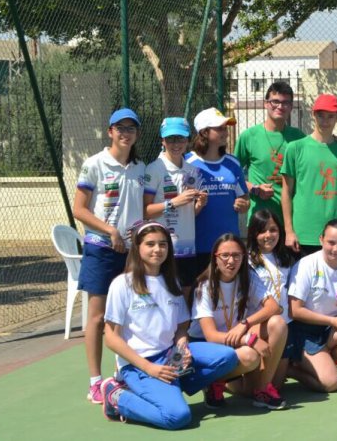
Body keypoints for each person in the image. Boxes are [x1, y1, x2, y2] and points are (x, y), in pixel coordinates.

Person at [99, 222, 238, 428]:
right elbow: (111, 338)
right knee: (177, 417)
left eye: (163, 244)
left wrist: (181, 348)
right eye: (150, 244)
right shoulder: (122, 284)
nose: (157, 249)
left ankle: (172, 386)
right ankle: (116, 397)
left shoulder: (171, 280)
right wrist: (150, 368)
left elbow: (182, 327)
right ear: (137, 248)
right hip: (140, 365)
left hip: (170, 355)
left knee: (227, 357)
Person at [75, 108, 148, 404]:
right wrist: (110, 231)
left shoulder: (141, 167)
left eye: (131, 128)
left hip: (132, 253)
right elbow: (79, 209)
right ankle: (95, 382)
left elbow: (142, 210)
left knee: (126, 317)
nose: (125, 133)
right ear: (110, 131)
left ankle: (123, 375)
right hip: (100, 250)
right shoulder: (94, 164)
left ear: (137, 134)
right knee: (96, 317)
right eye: (120, 128)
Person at [189, 233, 287, 409]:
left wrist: (245, 324)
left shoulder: (248, 276)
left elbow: (274, 307)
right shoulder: (204, 286)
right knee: (251, 356)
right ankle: (214, 381)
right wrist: (249, 339)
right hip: (208, 345)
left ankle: (262, 389)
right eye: (224, 255)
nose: (231, 261)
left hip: (235, 337)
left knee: (277, 323)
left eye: (236, 255)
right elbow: (211, 336)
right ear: (215, 258)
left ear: (243, 257)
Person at [286, 220, 337, 392]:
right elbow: (294, 311)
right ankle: (292, 369)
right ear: (321, 239)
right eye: (331, 242)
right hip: (304, 332)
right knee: (331, 384)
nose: (335, 249)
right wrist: (331, 321)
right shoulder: (305, 265)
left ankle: (324, 361)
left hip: (330, 331)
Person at [281, 94, 337, 258]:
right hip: (304, 235)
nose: (325, 120)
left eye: (330, 116)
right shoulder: (295, 148)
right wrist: (289, 231)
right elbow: (286, 192)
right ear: (313, 114)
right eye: (320, 115)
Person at [143, 117, 207, 297]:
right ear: (163, 141)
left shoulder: (192, 170)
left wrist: (199, 206)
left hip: (187, 247)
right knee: (163, 297)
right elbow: (145, 211)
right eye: (170, 139)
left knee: (186, 297)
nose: (175, 143)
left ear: (188, 140)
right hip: (162, 248)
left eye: (180, 138)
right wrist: (173, 202)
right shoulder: (154, 169)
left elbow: (188, 214)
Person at [187, 108, 249, 272]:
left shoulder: (233, 163)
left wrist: (243, 205)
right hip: (197, 245)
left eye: (225, 128)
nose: (225, 132)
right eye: (220, 128)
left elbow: (245, 199)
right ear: (204, 132)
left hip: (229, 248)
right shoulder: (187, 163)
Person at [235, 81, 305, 223]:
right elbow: (233, 175)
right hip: (260, 217)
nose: (280, 106)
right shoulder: (249, 136)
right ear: (266, 103)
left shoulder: (299, 137)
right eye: (275, 101)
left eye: (285, 103)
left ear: (291, 106)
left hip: (292, 218)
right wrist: (255, 189)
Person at [247, 208, 295, 387]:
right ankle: (225, 382)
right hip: (260, 327)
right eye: (262, 230)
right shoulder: (247, 260)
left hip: (284, 326)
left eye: (273, 230)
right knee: (255, 386)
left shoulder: (285, 258)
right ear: (253, 233)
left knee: (277, 384)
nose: (268, 235)